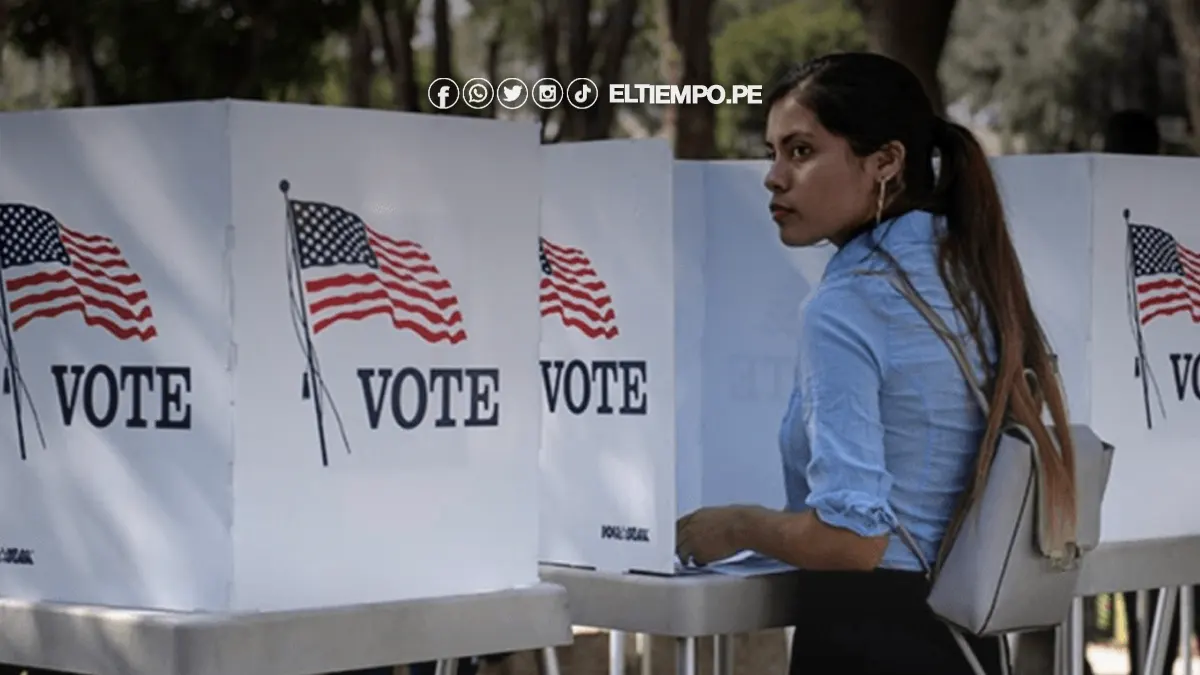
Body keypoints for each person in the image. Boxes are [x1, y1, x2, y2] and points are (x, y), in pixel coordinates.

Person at [674, 52, 1077, 675]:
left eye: (802, 151)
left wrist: (734, 526)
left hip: (869, 635)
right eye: (772, 151)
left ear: (886, 161)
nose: (774, 177)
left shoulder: (849, 301)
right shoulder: (970, 271)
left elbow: (853, 539)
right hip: (970, 636)